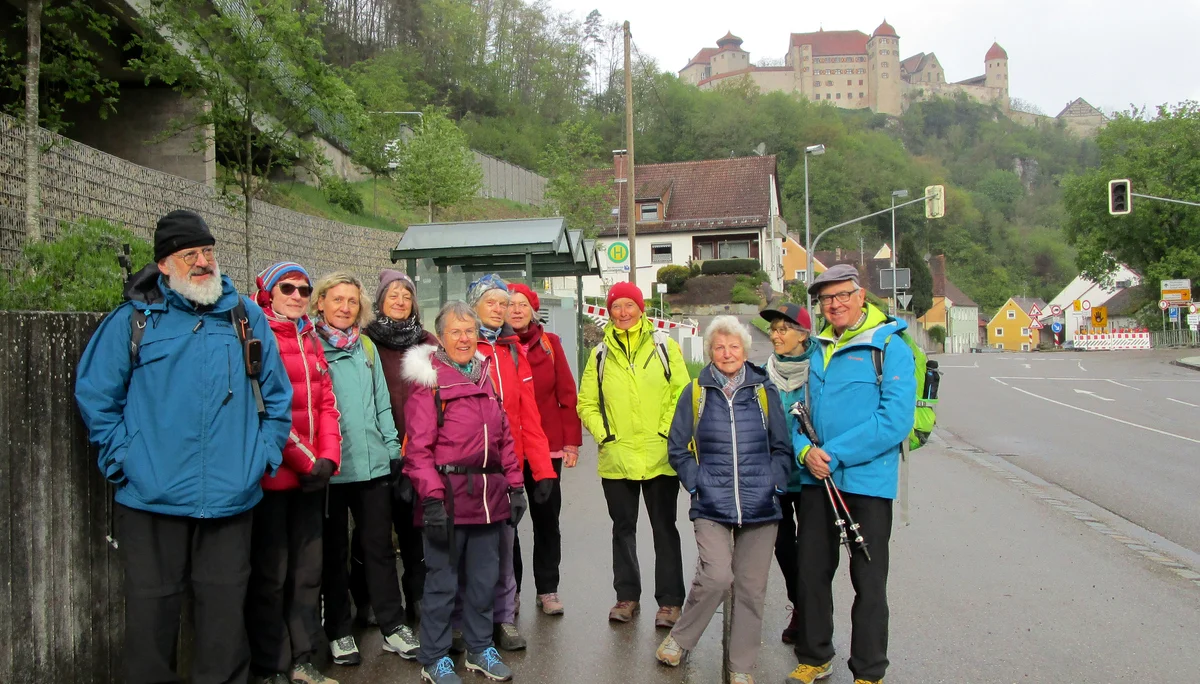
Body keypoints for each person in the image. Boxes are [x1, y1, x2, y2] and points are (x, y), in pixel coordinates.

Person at [75, 210, 292, 684]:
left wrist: (260, 456)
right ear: (164, 264)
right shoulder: (133, 320)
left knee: (223, 626)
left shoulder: (245, 316)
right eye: (189, 253)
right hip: (152, 498)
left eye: (208, 251)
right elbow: (96, 396)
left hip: (231, 496)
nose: (202, 262)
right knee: (151, 625)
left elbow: (278, 397)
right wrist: (125, 460)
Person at [786, 264, 915, 684]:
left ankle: (869, 670)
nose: (834, 304)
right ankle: (815, 655)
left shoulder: (888, 346)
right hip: (817, 481)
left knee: (869, 581)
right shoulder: (816, 347)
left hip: (867, 482)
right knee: (811, 574)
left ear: (862, 297)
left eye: (842, 295)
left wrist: (832, 453)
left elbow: (895, 420)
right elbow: (795, 413)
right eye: (826, 299)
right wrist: (805, 451)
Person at [655, 316, 792, 684]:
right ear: (710, 352)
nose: (727, 353)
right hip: (711, 503)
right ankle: (681, 639)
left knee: (750, 589)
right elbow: (677, 446)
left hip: (761, 505)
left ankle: (742, 666)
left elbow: (782, 447)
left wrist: (775, 483)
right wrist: (695, 482)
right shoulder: (695, 393)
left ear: (745, 351)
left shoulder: (764, 391)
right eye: (719, 347)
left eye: (733, 346)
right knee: (716, 576)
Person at [403, 301, 527, 684]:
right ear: (440, 336)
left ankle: (478, 648)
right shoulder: (430, 383)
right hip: (449, 500)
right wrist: (433, 499)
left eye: (470, 331)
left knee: (482, 581)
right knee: (441, 584)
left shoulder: (484, 376)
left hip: (488, 500)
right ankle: (434, 657)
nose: (464, 338)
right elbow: (418, 452)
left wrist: (516, 485)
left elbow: (504, 438)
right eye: (455, 331)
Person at [312, 272, 420, 666]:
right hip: (332, 469)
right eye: (337, 300)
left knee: (378, 549)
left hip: (373, 466)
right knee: (334, 552)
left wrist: (392, 449)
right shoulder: (311, 346)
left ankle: (392, 625)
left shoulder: (367, 348)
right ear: (320, 302)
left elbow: (380, 406)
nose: (344, 307)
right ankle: (339, 630)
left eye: (352, 301)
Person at [246, 262, 343, 684]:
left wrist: (329, 459)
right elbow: (264, 408)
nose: (298, 296)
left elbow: (327, 402)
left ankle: (303, 658)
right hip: (272, 477)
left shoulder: (310, 337)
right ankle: (271, 665)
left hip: (312, 477)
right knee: (271, 575)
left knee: (307, 573)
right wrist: (308, 460)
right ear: (268, 291)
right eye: (288, 288)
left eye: (305, 290)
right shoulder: (253, 334)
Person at [577, 281, 689, 628]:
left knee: (664, 528)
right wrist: (604, 434)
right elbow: (586, 403)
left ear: (642, 309)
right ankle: (626, 597)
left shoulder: (664, 347)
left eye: (630, 305)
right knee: (622, 529)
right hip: (617, 457)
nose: (623, 313)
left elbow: (682, 394)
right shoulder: (599, 355)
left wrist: (664, 431)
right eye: (616, 307)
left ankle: (669, 602)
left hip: (660, 456)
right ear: (608, 312)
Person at [460, 275, 557, 651]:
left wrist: (544, 470)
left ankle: (504, 618)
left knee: (505, 546)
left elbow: (529, 415)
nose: (501, 309)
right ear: (474, 305)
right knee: (466, 550)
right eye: (492, 302)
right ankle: (465, 621)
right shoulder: (461, 345)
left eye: (504, 303)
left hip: (508, 466)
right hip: (468, 466)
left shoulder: (513, 350)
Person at [353, 269, 436, 627]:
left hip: (418, 449)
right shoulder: (364, 340)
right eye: (393, 295)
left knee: (414, 530)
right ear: (380, 300)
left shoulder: (428, 341)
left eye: (406, 295)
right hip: (375, 448)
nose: (401, 302)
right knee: (371, 533)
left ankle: (417, 597)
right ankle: (366, 599)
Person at [505, 283, 583, 617]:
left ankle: (547, 589)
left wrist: (571, 442)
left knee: (546, 519)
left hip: (546, 449)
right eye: (510, 304)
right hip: (507, 449)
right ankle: (512, 590)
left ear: (533, 310)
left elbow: (567, 393)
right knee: (506, 522)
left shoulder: (551, 346)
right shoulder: (495, 347)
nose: (517, 310)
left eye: (523, 304)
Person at [759, 302, 817, 644]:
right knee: (783, 546)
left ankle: (810, 614)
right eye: (773, 329)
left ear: (803, 334)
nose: (775, 335)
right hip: (776, 475)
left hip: (811, 474)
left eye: (783, 329)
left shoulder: (819, 369)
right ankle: (800, 604)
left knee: (812, 548)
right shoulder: (764, 372)